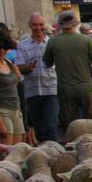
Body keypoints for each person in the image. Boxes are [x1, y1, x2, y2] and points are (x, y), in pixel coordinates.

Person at [43, 10, 92, 129]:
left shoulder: (53, 41)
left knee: (71, 126)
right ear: (76, 24)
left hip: (65, 89)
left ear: (60, 25)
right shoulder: (85, 40)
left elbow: (47, 63)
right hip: (86, 87)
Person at [15, 13, 60, 143]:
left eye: (41, 24)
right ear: (30, 26)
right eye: (35, 24)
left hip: (51, 89)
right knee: (39, 128)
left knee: (51, 125)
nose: (38, 27)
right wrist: (28, 67)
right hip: (32, 91)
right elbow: (18, 67)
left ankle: (54, 152)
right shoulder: (23, 45)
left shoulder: (52, 43)